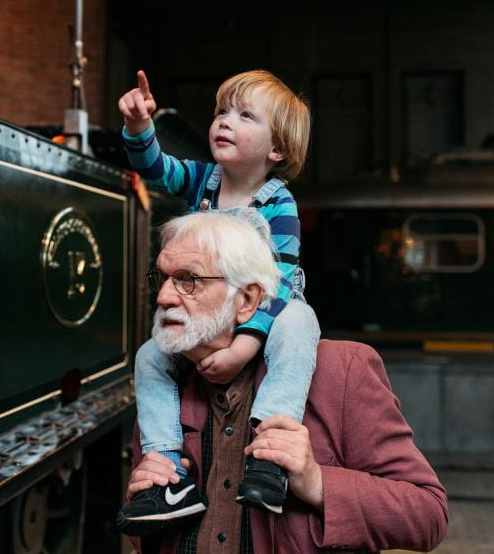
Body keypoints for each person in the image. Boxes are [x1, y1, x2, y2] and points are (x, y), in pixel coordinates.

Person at [121, 212, 448, 552]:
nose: (163, 297)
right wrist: (143, 501)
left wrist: (316, 481)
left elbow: (427, 515)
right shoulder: (163, 386)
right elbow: (146, 540)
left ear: (246, 300)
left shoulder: (343, 370)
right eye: (162, 278)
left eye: (189, 280)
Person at [118, 69, 322, 526]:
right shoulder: (203, 180)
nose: (224, 121)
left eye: (245, 115)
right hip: (212, 311)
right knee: (150, 356)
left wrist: (244, 346)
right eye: (221, 111)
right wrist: (138, 128)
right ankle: (167, 472)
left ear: (277, 149)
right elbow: (154, 168)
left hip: (266, 309)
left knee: (299, 323)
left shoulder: (279, 204)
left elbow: (280, 282)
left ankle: (270, 453)